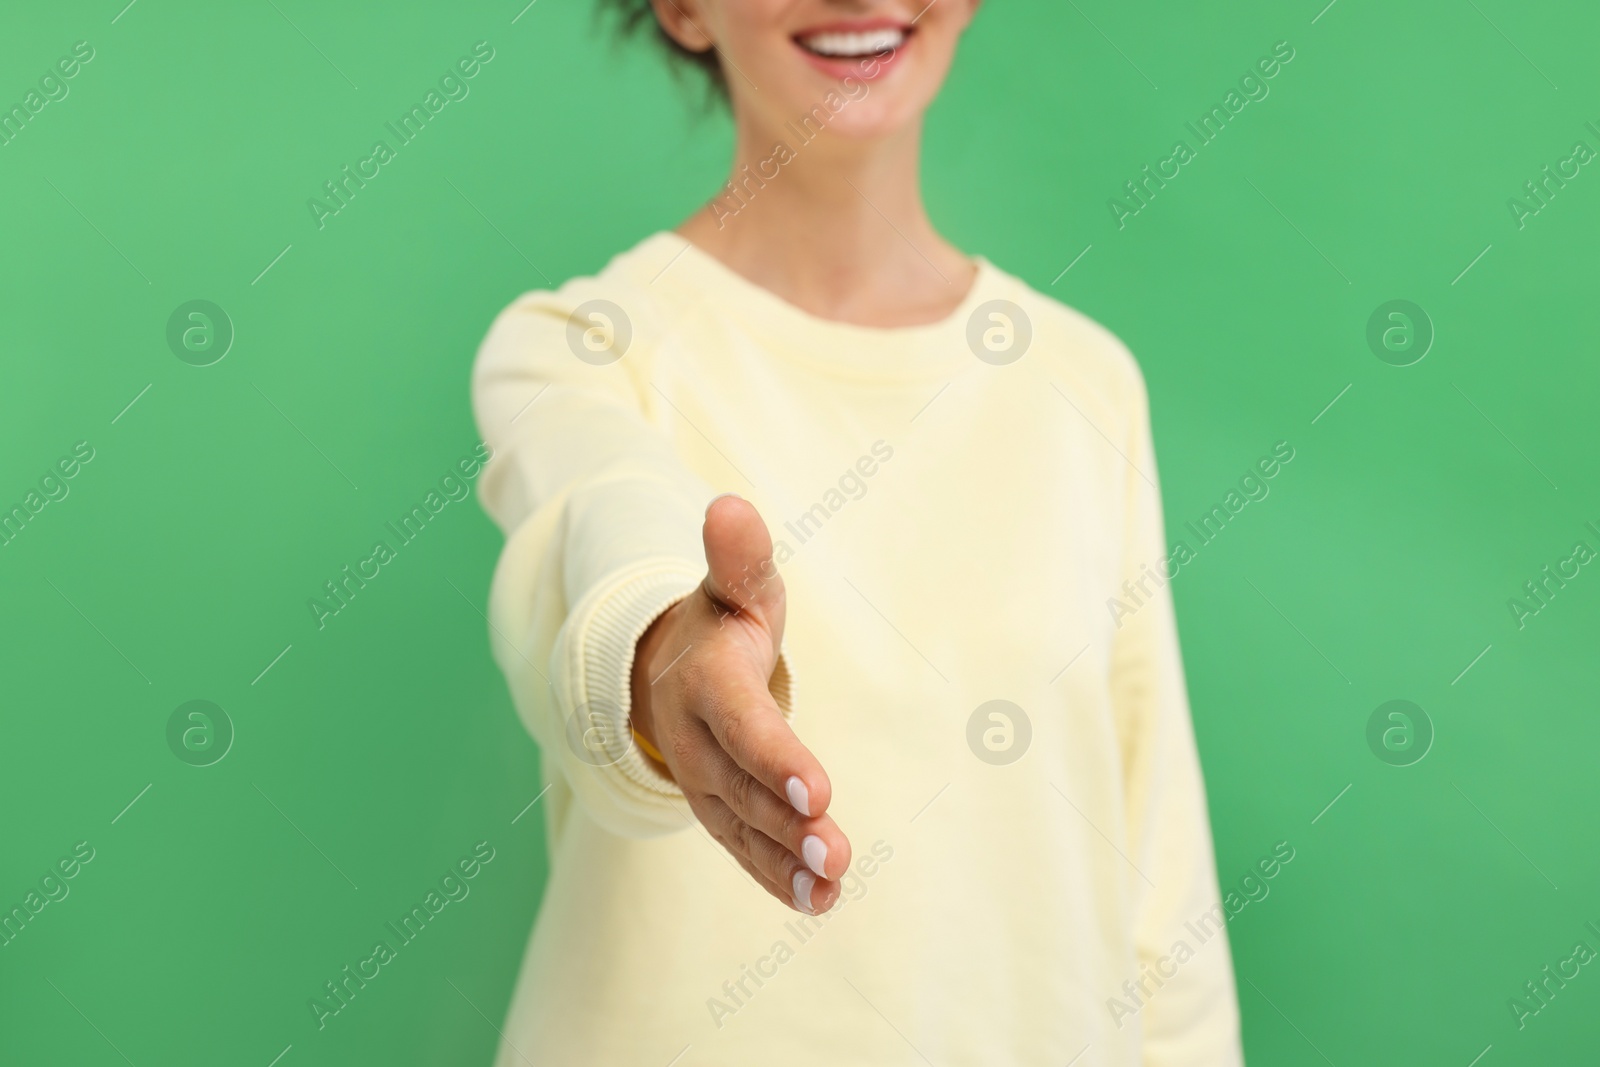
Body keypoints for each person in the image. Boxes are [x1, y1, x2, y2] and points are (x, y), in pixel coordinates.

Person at [470, 1, 1243, 1063]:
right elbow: (604, 514)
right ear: (683, 9)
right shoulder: (582, 348)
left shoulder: (1083, 384)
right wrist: (665, 645)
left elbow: (1159, 874)